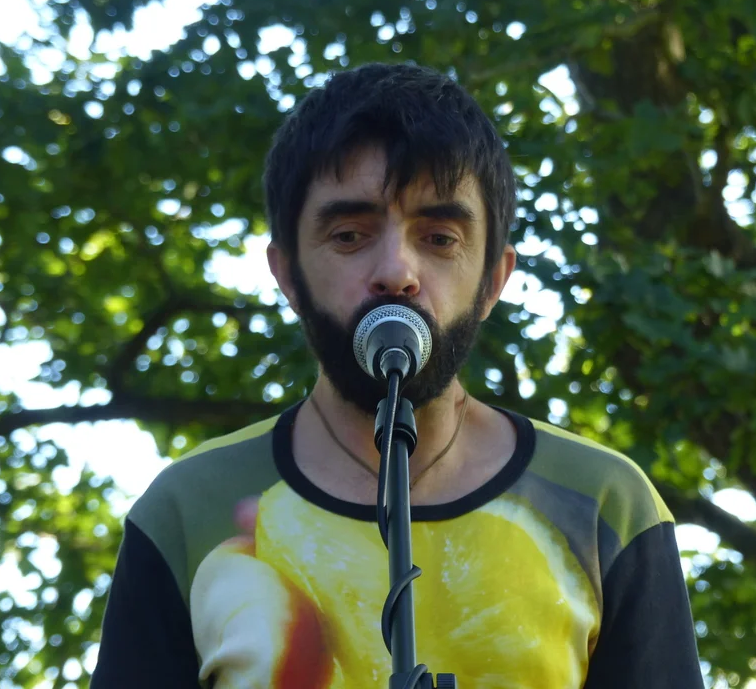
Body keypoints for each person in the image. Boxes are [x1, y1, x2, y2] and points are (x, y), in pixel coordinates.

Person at [90, 62, 704, 688]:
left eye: (439, 238)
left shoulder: (607, 503)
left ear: (493, 280)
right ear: (288, 274)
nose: (396, 272)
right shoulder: (185, 507)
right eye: (349, 235)